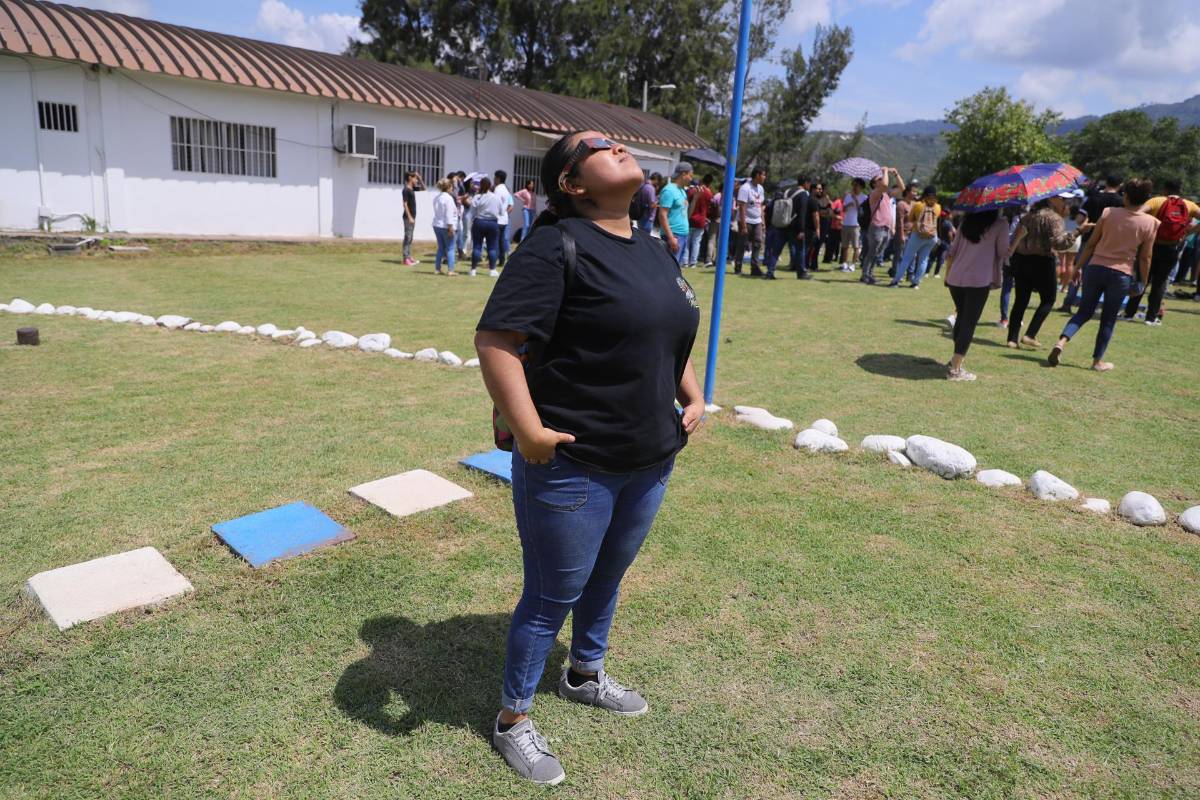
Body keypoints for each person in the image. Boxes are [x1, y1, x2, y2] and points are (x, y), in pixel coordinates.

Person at [475, 130, 703, 787]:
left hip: (652, 456)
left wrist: (694, 394)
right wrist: (529, 432)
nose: (618, 147)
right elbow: (496, 340)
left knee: (607, 576)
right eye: (599, 146)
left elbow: (669, 329)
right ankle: (512, 721)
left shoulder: (654, 244)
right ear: (572, 184)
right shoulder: (555, 246)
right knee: (553, 595)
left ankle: (584, 674)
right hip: (575, 462)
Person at [1049, 178, 1158, 372]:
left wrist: (1077, 268)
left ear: (1125, 196)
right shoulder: (1151, 223)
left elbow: (1091, 244)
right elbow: (1145, 257)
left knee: (1083, 312)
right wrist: (1143, 281)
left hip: (1096, 267)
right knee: (1108, 319)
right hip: (1121, 274)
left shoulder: (1108, 213)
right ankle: (1097, 361)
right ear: (1146, 200)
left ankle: (1061, 342)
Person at [1006, 193, 1077, 348]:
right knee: (1049, 299)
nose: (1066, 203)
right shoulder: (1054, 218)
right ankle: (1030, 334)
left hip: (1022, 260)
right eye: (1063, 199)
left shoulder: (1027, 216)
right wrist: (1077, 232)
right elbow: (1059, 244)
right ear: (1052, 199)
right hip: (1043, 261)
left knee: (1020, 300)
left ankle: (1012, 339)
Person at [1124, 179, 1200, 325]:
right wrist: (1189, 232)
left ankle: (1129, 313)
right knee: (1160, 283)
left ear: (1165, 189)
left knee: (1142, 279)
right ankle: (1151, 318)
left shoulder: (1156, 201)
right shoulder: (1189, 205)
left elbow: (1137, 213)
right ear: (1180, 190)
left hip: (1151, 246)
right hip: (1172, 248)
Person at [943, 209, 1007, 381]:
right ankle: (955, 369)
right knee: (969, 322)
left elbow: (953, 249)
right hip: (978, 281)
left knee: (963, 317)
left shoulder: (966, 221)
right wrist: (1019, 237)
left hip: (956, 278)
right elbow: (1003, 253)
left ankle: (955, 362)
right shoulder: (1000, 224)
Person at [1060, 175, 1123, 312]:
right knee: (1101, 276)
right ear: (1120, 185)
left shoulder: (1093, 198)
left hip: (1090, 240)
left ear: (1106, 182)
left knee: (1079, 269)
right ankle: (1089, 306)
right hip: (1110, 243)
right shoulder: (1121, 202)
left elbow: (1079, 220)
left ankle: (1068, 303)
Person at [891, 185, 942, 288]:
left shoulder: (918, 205)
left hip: (917, 235)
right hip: (932, 236)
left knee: (906, 258)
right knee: (924, 259)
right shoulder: (938, 207)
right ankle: (916, 283)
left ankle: (895, 281)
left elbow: (910, 219)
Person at [861, 167, 905, 284]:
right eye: (879, 179)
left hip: (886, 228)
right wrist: (885, 171)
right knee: (872, 252)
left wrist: (896, 174)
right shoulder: (875, 193)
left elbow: (902, 189)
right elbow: (885, 185)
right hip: (876, 227)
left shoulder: (886, 195)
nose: (882, 180)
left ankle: (870, 274)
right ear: (874, 184)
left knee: (877, 253)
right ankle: (865, 275)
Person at [657, 162, 693, 267]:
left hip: (683, 235)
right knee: (670, 269)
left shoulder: (682, 191)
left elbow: (687, 213)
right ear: (683, 174)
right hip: (674, 235)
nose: (691, 179)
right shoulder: (669, 190)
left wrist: (695, 198)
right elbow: (662, 215)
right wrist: (671, 237)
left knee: (677, 269)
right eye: (690, 175)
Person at [735, 167, 767, 275]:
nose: (764, 177)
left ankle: (755, 268)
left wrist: (762, 221)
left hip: (757, 221)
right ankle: (738, 267)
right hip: (746, 221)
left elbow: (760, 205)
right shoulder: (745, 188)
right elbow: (742, 207)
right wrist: (743, 226)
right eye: (763, 175)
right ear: (757, 175)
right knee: (742, 244)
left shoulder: (760, 188)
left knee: (758, 243)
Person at [470, 177, 504, 277]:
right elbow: (502, 212)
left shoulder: (477, 197)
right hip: (492, 223)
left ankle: (473, 270)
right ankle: (492, 270)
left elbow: (472, 211)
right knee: (492, 247)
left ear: (481, 186)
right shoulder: (496, 197)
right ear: (490, 186)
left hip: (479, 222)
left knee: (477, 247)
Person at [431, 177, 458, 276]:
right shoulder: (448, 198)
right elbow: (448, 214)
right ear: (448, 187)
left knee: (441, 248)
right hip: (446, 226)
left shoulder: (437, 198)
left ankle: (437, 269)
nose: (452, 189)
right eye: (451, 187)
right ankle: (450, 270)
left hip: (437, 225)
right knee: (450, 248)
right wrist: (450, 227)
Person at [686, 174, 714, 268]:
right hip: (701, 220)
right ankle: (693, 262)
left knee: (687, 241)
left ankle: (685, 261)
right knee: (696, 242)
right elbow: (710, 206)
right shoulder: (709, 193)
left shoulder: (692, 191)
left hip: (690, 218)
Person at [840, 178, 867, 272]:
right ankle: (844, 263)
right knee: (844, 246)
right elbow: (842, 209)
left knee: (856, 246)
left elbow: (862, 211)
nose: (854, 187)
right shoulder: (848, 196)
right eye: (853, 185)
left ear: (861, 187)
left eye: (856, 185)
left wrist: (855, 200)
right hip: (846, 223)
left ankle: (853, 264)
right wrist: (847, 205)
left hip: (856, 224)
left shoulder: (864, 197)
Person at [891, 185, 916, 280]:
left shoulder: (914, 204)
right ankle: (896, 273)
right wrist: (901, 235)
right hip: (903, 233)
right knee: (900, 255)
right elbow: (900, 221)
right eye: (914, 191)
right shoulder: (901, 204)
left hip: (913, 234)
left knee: (913, 255)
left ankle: (910, 275)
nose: (915, 193)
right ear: (908, 192)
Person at [808, 182, 832, 271]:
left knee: (819, 245)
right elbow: (816, 212)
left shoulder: (827, 199)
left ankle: (814, 264)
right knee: (812, 244)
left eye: (823, 189)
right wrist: (823, 212)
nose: (822, 191)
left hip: (824, 223)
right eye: (821, 189)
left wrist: (823, 211)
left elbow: (829, 212)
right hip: (816, 223)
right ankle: (809, 263)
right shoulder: (814, 199)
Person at [494, 170, 515, 268]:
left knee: (495, 240)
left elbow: (495, 204)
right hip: (504, 219)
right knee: (501, 240)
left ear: (498, 178)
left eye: (495, 177)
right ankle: (502, 260)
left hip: (497, 218)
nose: (494, 179)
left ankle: (495, 260)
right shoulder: (506, 190)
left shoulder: (497, 189)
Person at [401, 171, 421, 266]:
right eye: (415, 178)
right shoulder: (406, 190)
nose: (416, 180)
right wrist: (409, 217)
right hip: (408, 217)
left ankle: (408, 256)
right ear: (410, 178)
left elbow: (424, 188)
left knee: (410, 237)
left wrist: (419, 178)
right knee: (407, 237)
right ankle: (405, 259)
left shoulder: (412, 188)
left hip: (413, 216)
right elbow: (405, 204)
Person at [514, 178, 537, 243]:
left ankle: (527, 240)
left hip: (532, 210)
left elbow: (535, 203)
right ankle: (522, 240)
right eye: (531, 184)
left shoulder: (533, 193)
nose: (532, 185)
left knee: (530, 226)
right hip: (526, 209)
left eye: (533, 184)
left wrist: (535, 211)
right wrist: (522, 199)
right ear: (528, 185)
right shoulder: (524, 191)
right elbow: (516, 194)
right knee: (526, 225)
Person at [825, 192, 843, 265]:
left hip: (844, 227)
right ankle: (827, 259)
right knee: (831, 244)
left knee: (842, 245)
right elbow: (830, 210)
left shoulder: (850, 204)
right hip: (834, 227)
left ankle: (840, 260)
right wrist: (835, 216)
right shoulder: (837, 202)